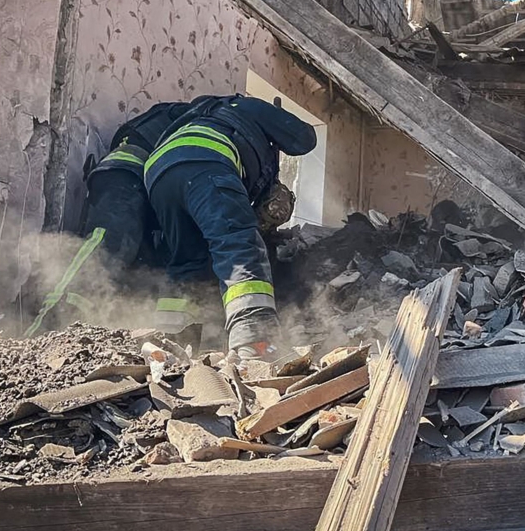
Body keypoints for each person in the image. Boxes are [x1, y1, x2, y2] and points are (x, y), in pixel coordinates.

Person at [144, 94, 316, 359]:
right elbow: (304, 139)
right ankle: (256, 340)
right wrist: (274, 121)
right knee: (237, 244)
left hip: (158, 173)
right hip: (208, 162)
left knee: (188, 260)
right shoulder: (245, 105)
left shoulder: (196, 116)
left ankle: (172, 343)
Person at [28, 101, 194, 336]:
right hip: (128, 174)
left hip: (160, 198)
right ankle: (44, 334)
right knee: (104, 250)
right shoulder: (210, 116)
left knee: (152, 275)